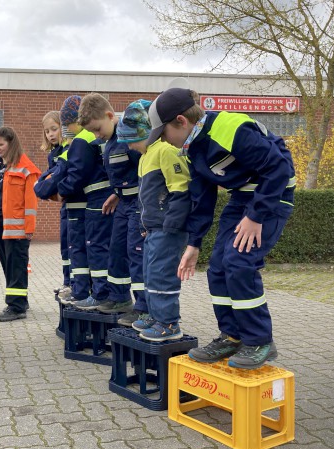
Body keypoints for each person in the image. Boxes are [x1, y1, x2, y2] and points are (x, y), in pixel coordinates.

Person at [148, 87, 295, 369]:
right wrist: (194, 244)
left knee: (239, 262)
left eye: (164, 134)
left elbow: (278, 168)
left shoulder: (229, 128)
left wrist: (256, 216)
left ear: (181, 121)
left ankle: (260, 341)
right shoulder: (192, 147)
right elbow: (202, 198)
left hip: (272, 197)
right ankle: (232, 337)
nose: (165, 141)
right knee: (217, 266)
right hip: (243, 198)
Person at [116, 99, 191, 341]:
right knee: (149, 272)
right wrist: (143, 225)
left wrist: (172, 223)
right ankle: (154, 315)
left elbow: (180, 189)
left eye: (132, 142)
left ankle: (168, 323)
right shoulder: (146, 156)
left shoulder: (166, 150)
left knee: (162, 274)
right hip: (153, 229)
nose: (131, 148)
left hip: (168, 229)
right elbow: (144, 199)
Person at [78, 93, 149, 325]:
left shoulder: (128, 140)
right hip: (122, 204)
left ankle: (143, 306)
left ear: (110, 116)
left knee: (135, 252)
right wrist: (115, 195)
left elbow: (143, 173)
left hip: (138, 205)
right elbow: (121, 177)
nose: (97, 135)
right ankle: (118, 297)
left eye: (98, 129)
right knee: (116, 249)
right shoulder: (107, 143)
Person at [56, 96, 113, 310]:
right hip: (105, 199)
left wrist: (59, 191)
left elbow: (77, 173)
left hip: (97, 201)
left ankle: (100, 294)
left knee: (95, 248)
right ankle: (100, 293)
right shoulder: (95, 137)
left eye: (65, 125)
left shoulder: (82, 140)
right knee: (97, 248)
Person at [0, 126, 41, 322]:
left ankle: (16, 307)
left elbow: (31, 202)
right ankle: (20, 300)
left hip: (17, 227)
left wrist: (29, 227)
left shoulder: (26, 168)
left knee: (16, 266)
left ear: (11, 143)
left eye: (1, 144)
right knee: (8, 265)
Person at [34, 111, 70, 297]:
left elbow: (57, 176)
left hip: (73, 204)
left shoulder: (67, 149)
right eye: (47, 131)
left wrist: (43, 188)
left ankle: (74, 283)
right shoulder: (52, 154)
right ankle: (67, 281)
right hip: (64, 207)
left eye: (54, 129)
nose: (50, 134)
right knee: (65, 245)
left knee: (73, 246)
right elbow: (48, 178)